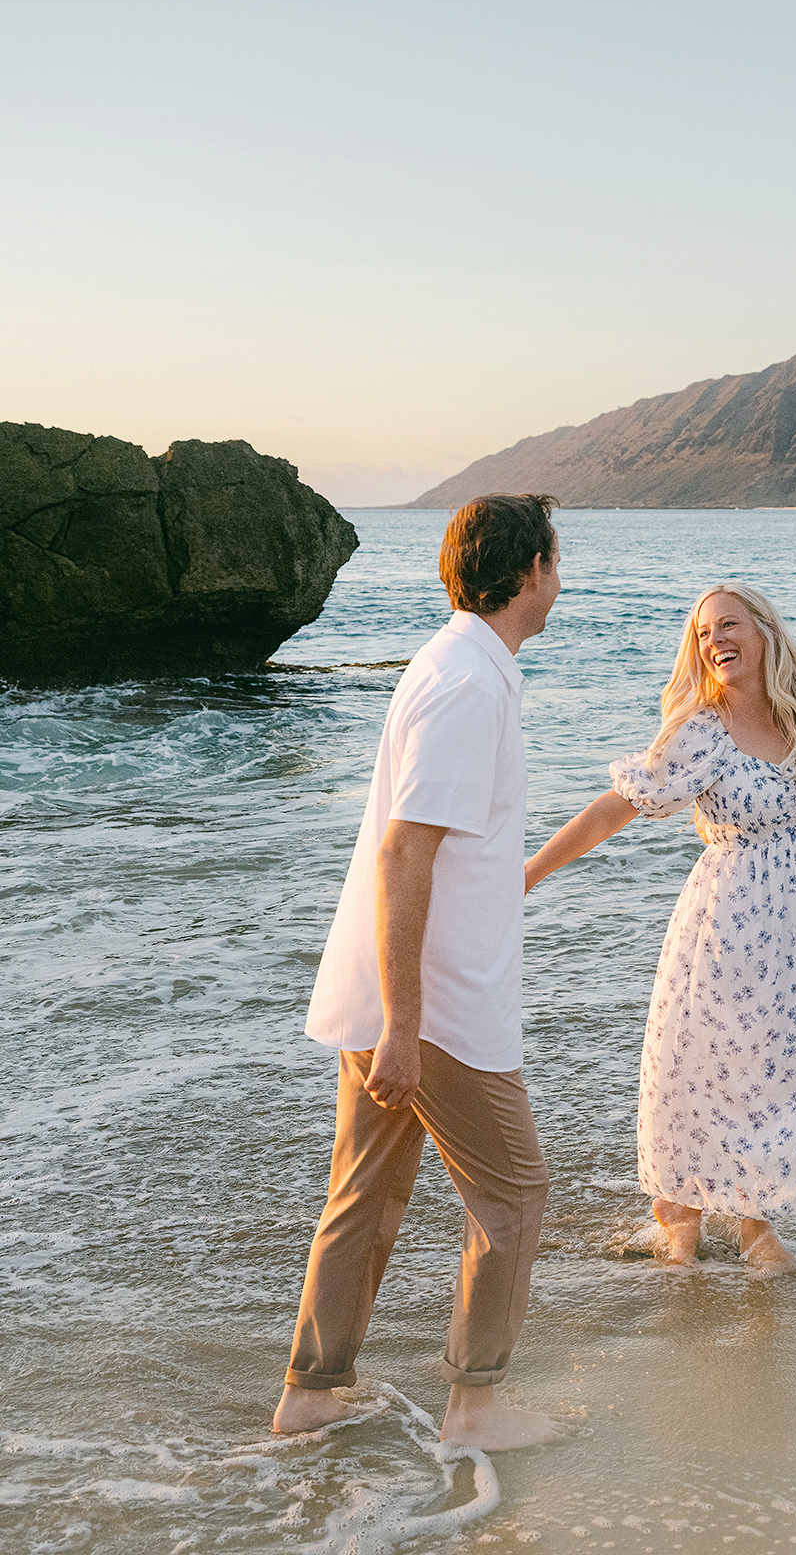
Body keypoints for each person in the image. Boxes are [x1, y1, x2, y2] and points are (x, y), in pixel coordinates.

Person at [273, 494, 565, 1449]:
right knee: (513, 1190)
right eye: (555, 564)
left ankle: (313, 1391)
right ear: (530, 570)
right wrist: (405, 1024)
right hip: (432, 1005)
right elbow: (406, 853)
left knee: (367, 1189)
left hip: (397, 989)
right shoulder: (467, 684)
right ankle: (476, 1408)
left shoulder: (460, 667)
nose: (558, 582)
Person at [524, 582, 796, 1272]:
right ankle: (679, 1227)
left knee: (777, 1071)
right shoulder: (704, 729)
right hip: (723, 929)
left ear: (764, 631)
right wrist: (529, 872)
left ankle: (754, 1228)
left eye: (727, 625)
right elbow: (618, 805)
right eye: (702, 633)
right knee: (697, 1069)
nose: (714, 640)